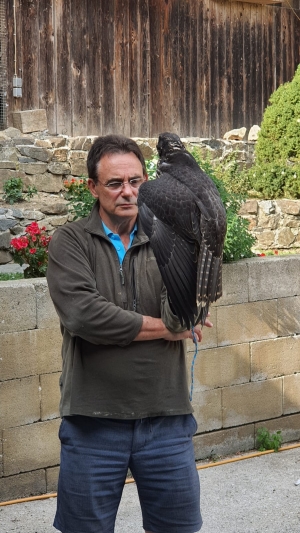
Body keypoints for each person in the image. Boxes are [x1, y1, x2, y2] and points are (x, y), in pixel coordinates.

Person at [47, 134, 211, 533]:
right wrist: (167, 330)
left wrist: (184, 318)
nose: (128, 192)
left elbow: (194, 303)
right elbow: (85, 316)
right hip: (92, 423)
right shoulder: (71, 242)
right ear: (92, 187)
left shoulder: (169, 236)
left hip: (167, 420)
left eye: (136, 181)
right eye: (115, 183)